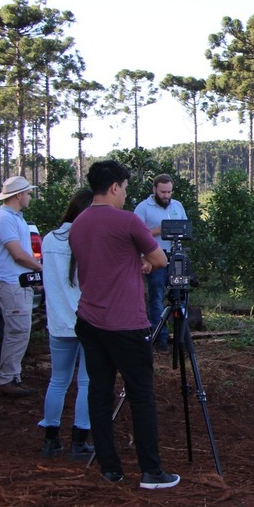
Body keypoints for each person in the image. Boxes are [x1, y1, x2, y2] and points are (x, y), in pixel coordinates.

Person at [71, 160, 179, 489]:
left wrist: (136, 264)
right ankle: (151, 471)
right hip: (126, 324)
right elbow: (160, 259)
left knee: (98, 394)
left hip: (90, 319)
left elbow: (103, 262)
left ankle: (110, 467)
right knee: (142, 395)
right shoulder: (128, 220)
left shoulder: (78, 224)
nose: (125, 194)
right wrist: (145, 262)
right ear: (115, 186)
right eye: (126, 187)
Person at [38, 189, 95, 460]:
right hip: (88, 321)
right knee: (86, 382)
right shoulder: (90, 239)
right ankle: (79, 441)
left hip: (59, 321)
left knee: (58, 380)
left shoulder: (50, 239)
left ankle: (51, 439)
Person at [0, 175, 44, 397]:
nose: (30, 196)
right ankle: (8, 379)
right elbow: (19, 254)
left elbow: (23, 255)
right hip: (11, 283)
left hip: (17, 282)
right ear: (19, 195)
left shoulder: (15, 218)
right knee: (18, 330)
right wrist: (41, 269)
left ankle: (12, 376)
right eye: (28, 193)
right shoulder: (5, 219)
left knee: (20, 330)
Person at [133, 174, 188, 353]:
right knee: (156, 298)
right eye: (163, 192)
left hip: (176, 259)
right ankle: (160, 338)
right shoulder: (143, 208)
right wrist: (159, 230)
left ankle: (181, 339)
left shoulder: (177, 205)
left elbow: (185, 228)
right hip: (155, 260)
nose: (166, 195)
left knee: (179, 298)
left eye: (169, 192)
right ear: (154, 189)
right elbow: (135, 235)